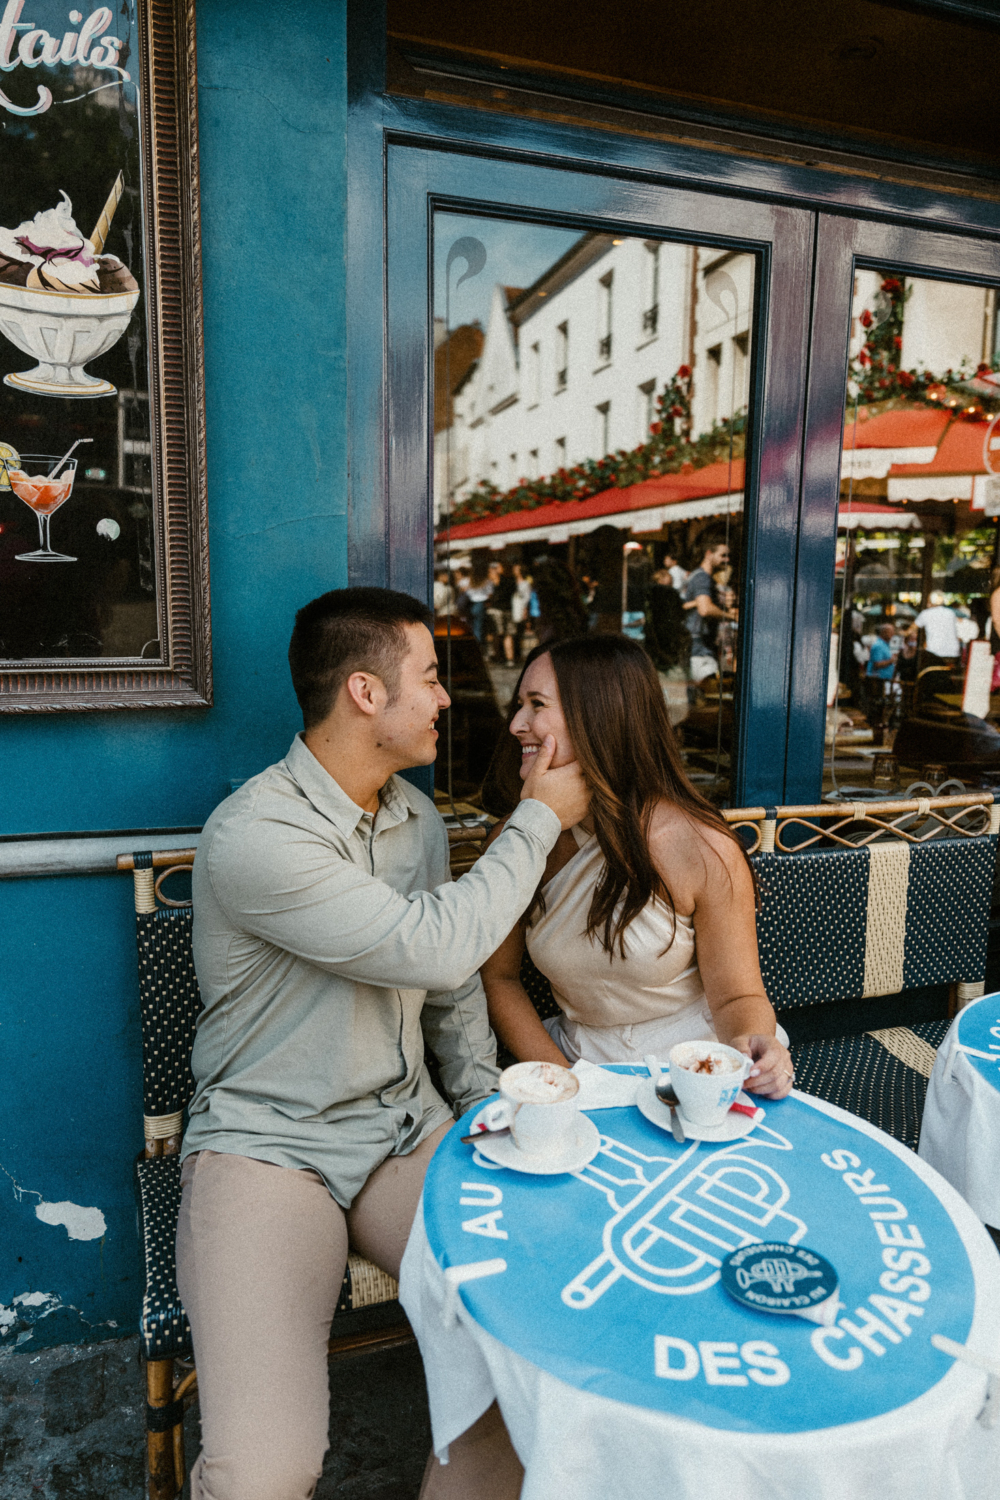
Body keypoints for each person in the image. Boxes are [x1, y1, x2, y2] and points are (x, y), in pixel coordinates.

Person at [177, 587, 590, 1500]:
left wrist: (484, 1100)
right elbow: (440, 943)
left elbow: (445, 991)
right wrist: (539, 817)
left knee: (537, 1360)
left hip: (405, 1134)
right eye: (432, 677)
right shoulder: (255, 835)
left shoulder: (417, 820)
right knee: (264, 1472)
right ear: (366, 692)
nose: (447, 698)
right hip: (269, 1150)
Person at [479, 635, 793, 1095]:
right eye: (519, 704)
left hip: (697, 1061)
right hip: (576, 1058)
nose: (516, 724)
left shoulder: (699, 846)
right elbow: (499, 978)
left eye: (537, 704)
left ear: (599, 717)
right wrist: (566, 1083)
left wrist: (755, 1048)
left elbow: (738, 996)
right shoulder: (519, 840)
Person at [683, 539, 736, 683]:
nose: (727, 559)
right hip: (700, 649)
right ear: (708, 554)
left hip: (698, 645)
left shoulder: (698, 576)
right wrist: (731, 616)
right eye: (723, 555)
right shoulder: (702, 577)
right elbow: (705, 609)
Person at [915, 591, 961, 667]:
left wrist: (902, 632)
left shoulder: (926, 613)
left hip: (934, 653)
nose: (927, 604)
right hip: (953, 654)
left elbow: (911, 629)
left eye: (928, 601)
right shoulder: (950, 613)